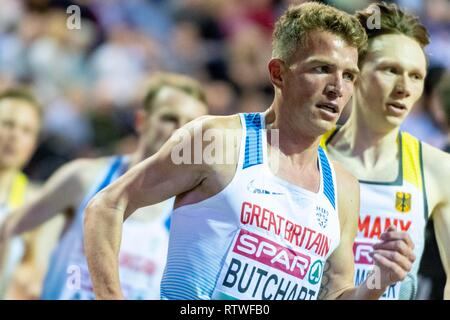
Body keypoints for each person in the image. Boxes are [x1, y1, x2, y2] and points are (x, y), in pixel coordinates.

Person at [84, 2, 415, 300]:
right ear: (278, 73)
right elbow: (108, 205)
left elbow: (335, 293)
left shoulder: (343, 187)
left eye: (348, 75)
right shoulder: (218, 140)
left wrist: (377, 282)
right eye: (321, 69)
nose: (337, 87)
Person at [0, 73, 209, 299]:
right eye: (169, 118)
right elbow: (10, 228)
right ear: (142, 121)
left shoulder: (192, 215)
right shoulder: (85, 177)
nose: (179, 131)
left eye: (190, 126)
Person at [320, 2, 450, 299]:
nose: (405, 87)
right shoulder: (307, 151)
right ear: (355, 72)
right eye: (391, 70)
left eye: (416, 76)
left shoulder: (438, 169)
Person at [0, 88, 62, 299]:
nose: (15, 135)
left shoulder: (36, 203)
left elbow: (32, 278)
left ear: (33, 145)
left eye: (26, 130)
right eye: (8, 124)